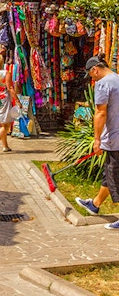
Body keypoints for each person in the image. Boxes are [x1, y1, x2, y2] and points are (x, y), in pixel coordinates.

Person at [75, 54, 119, 229]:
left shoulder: (103, 84)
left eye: (91, 75)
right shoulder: (117, 78)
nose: (92, 79)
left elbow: (100, 113)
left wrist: (97, 140)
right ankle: (95, 204)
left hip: (115, 139)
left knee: (115, 177)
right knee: (109, 174)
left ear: (95, 70)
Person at [0, 53, 21, 154]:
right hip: (3, 99)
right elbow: (10, 88)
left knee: (3, 123)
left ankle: (5, 146)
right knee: (6, 126)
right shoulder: (6, 73)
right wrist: (17, 100)